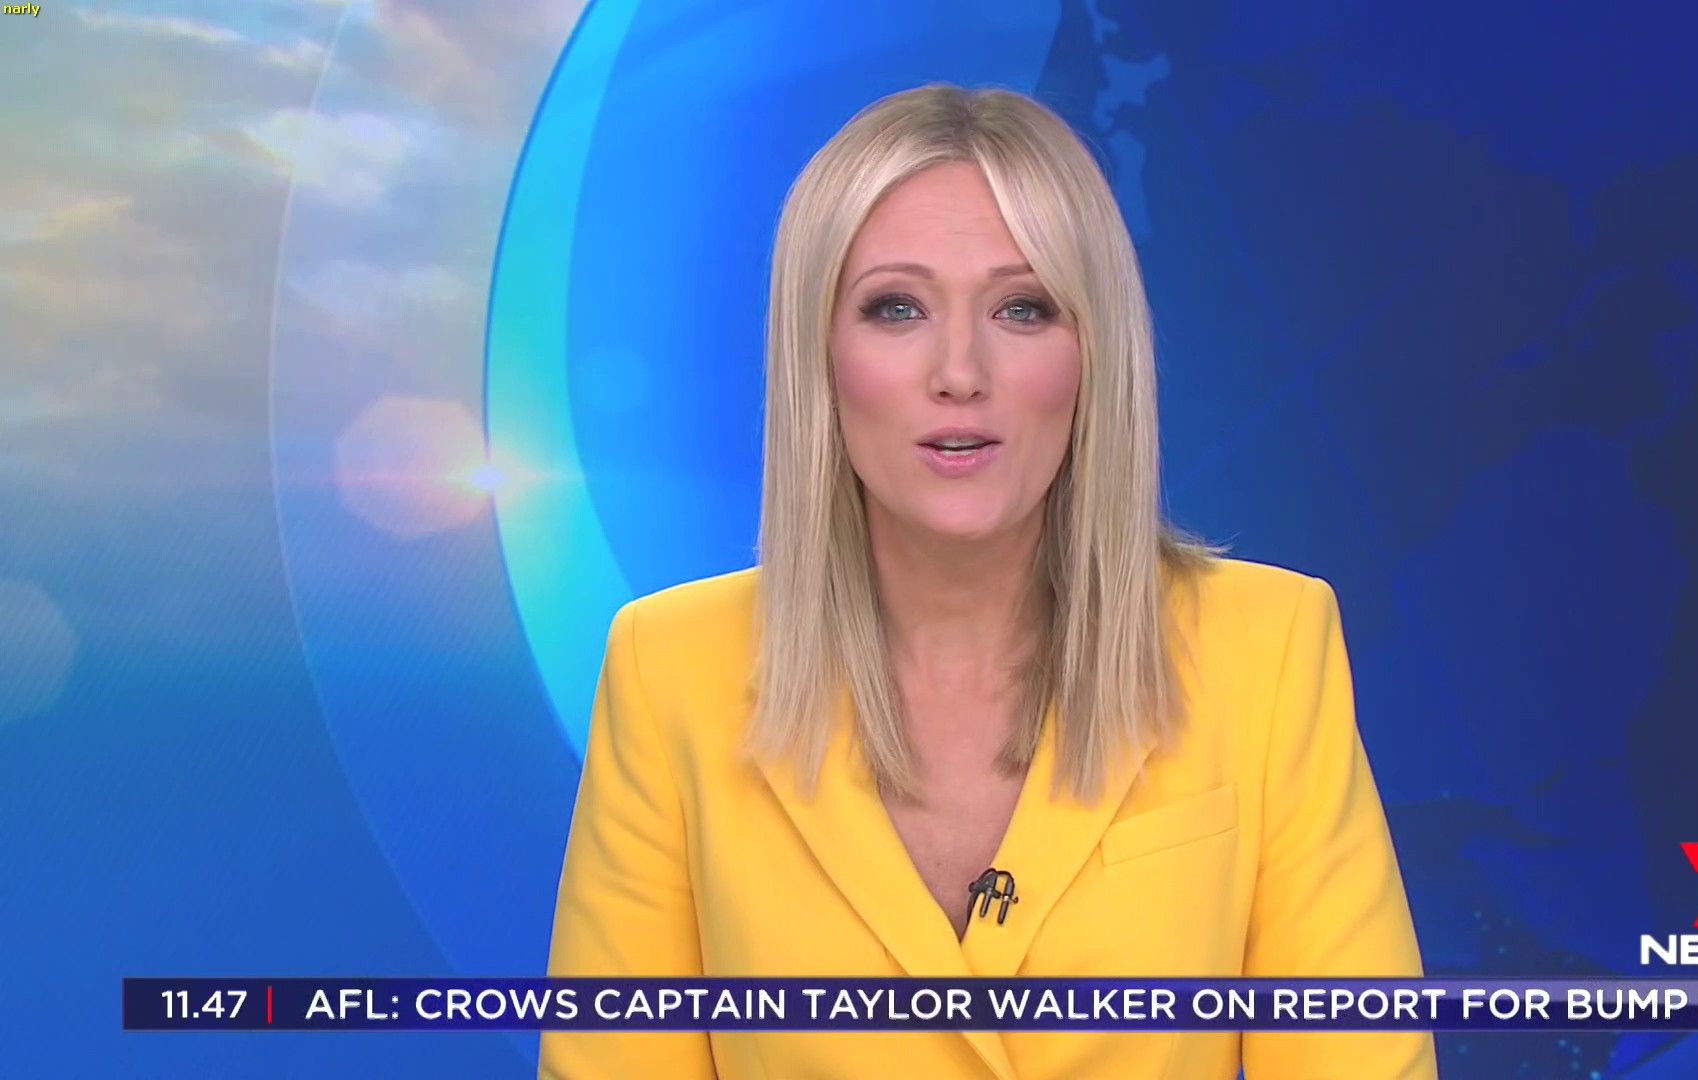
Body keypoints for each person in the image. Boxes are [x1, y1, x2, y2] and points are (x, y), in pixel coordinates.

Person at [541, 82, 1435, 1079]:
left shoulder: (1265, 649)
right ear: (817, 354)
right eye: (896, 308)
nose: (960, 372)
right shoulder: (669, 669)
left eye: (1023, 308)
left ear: (1094, 353)